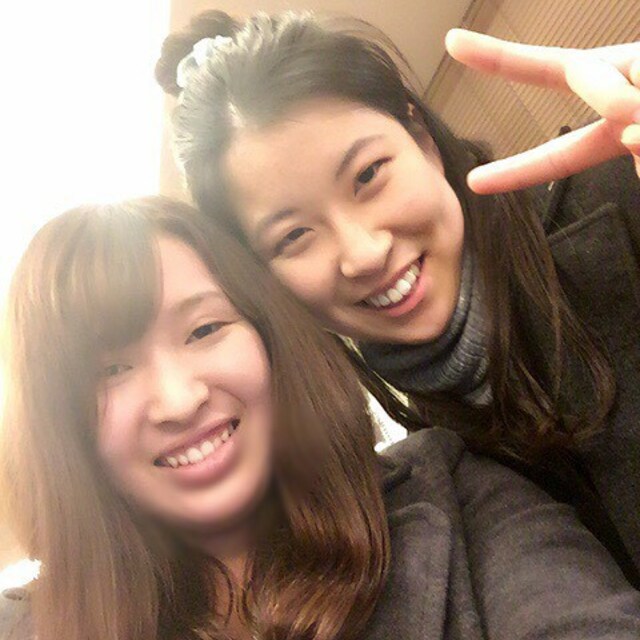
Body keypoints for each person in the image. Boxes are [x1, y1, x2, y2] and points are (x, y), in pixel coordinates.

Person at [2, 196, 640, 640]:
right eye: (111, 370)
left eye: (204, 329)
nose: (179, 400)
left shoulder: (457, 495)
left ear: (268, 336)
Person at [154, 10, 640, 581]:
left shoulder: (620, 197)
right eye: (293, 236)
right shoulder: (433, 465)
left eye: (367, 175)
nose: (362, 253)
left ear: (422, 138)